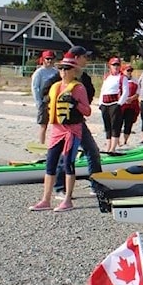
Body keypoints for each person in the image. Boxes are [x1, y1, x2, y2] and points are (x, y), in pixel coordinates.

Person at [28, 53, 92, 212]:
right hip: (57, 130)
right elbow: (47, 104)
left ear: (73, 70)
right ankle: (45, 200)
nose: (63, 71)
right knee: (50, 164)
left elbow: (88, 111)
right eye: (61, 69)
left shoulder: (79, 88)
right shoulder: (55, 87)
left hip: (72, 130)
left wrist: (75, 103)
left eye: (67, 69)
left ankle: (68, 200)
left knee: (69, 164)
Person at [50, 45, 101, 192]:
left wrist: (80, 104)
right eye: (85, 57)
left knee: (92, 151)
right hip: (63, 123)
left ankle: (96, 186)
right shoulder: (61, 74)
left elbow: (89, 94)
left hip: (78, 121)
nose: (87, 59)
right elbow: (46, 93)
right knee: (65, 154)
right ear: (77, 58)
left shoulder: (84, 77)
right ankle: (60, 187)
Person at [98, 57, 129, 152]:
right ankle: (108, 147)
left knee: (115, 126)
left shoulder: (122, 77)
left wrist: (119, 104)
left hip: (115, 103)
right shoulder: (107, 76)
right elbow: (103, 90)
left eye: (117, 65)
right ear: (110, 66)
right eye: (113, 65)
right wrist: (100, 103)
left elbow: (126, 92)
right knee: (107, 126)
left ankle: (113, 148)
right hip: (105, 103)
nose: (116, 67)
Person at [30, 50, 59, 144]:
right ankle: (42, 144)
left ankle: (54, 145)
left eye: (52, 59)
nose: (49, 61)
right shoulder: (39, 73)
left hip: (55, 101)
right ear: (43, 59)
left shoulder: (56, 72)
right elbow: (35, 88)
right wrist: (39, 102)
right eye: (47, 59)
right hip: (44, 101)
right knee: (43, 125)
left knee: (57, 125)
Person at [120, 63, 140, 146]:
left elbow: (138, 93)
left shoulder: (135, 80)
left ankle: (125, 141)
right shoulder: (120, 79)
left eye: (131, 70)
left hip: (131, 105)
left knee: (128, 123)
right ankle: (117, 141)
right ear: (123, 70)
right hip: (121, 105)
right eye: (128, 70)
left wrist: (131, 98)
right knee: (118, 123)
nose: (130, 72)